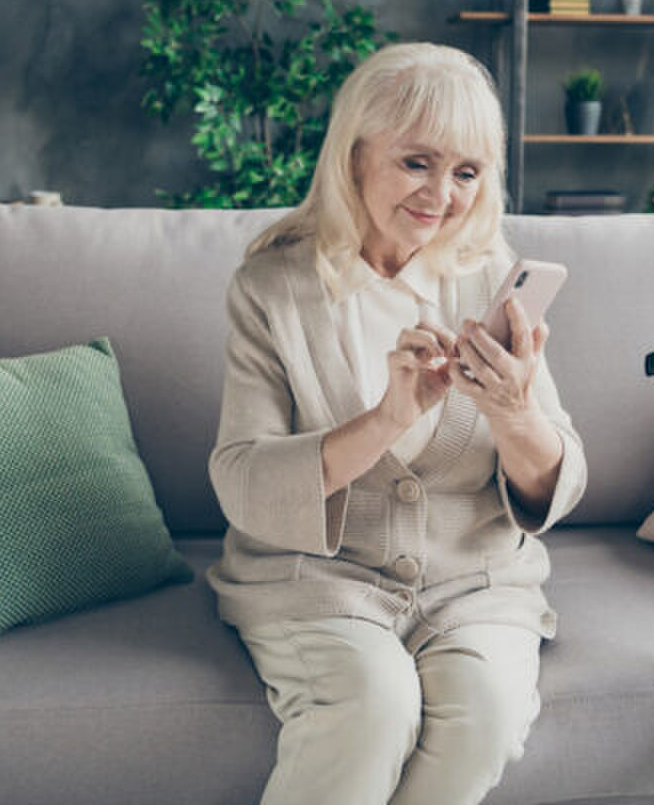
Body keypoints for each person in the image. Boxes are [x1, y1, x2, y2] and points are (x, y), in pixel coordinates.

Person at [206, 42, 587, 805]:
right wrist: (386, 419)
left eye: (468, 173)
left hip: (475, 588)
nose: (442, 195)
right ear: (354, 158)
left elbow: (558, 480)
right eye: (417, 162)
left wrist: (514, 412)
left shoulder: (491, 281)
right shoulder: (272, 288)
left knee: (486, 714)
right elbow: (243, 483)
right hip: (318, 582)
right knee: (374, 707)